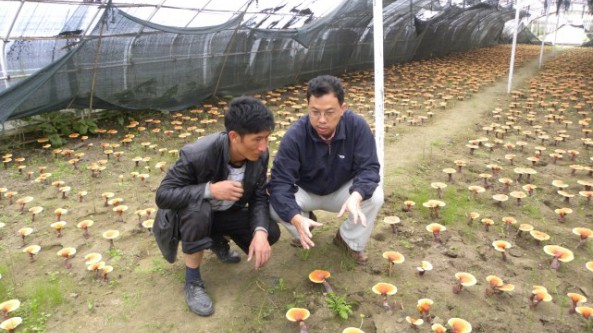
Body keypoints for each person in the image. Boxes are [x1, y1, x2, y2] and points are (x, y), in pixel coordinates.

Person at [155, 96, 280, 317]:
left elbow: (260, 196)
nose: (263, 147)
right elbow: (163, 195)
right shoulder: (197, 154)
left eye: (267, 138)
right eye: (257, 139)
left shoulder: (260, 155)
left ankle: (215, 239)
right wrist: (209, 190)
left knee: (270, 232)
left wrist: (259, 232)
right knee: (198, 210)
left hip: (225, 211)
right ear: (234, 136)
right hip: (191, 216)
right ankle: (192, 281)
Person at [268, 75, 383, 265]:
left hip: (342, 192)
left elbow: (369, 168)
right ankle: (304, 222)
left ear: (342, 109)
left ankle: (348, 240)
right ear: (307, 107)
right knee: (273, 206)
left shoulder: (357, 127)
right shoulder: (295, 136)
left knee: (375, 196)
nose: (321, 120)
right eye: (315, 112)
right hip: (305, 191)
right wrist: (295, 217)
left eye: (329, 112)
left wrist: (357, 195)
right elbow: (280, 184)